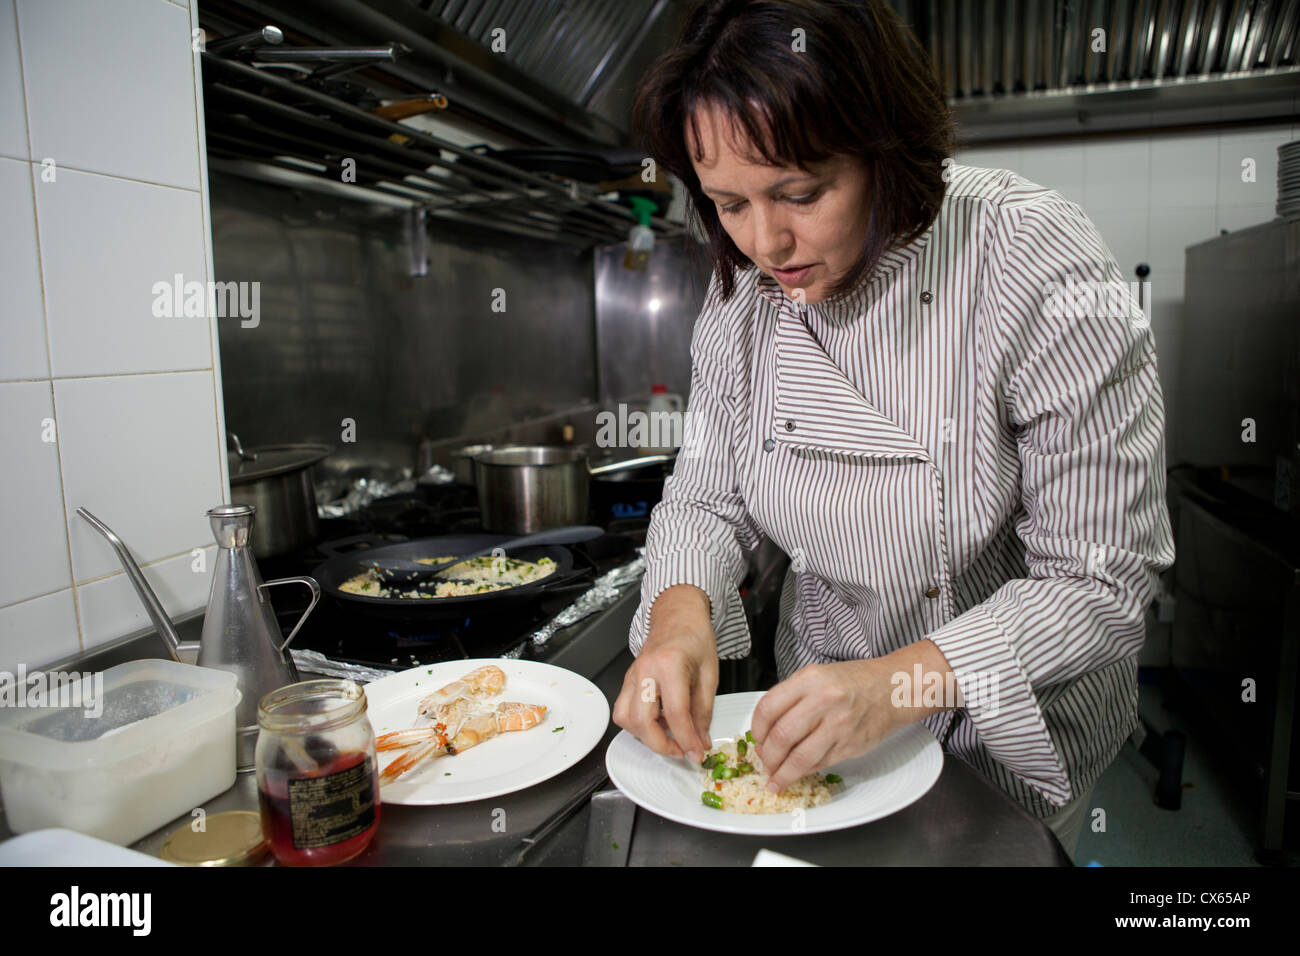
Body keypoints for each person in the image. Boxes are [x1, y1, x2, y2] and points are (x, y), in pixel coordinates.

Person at [611, 0, 1175, 859]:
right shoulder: (743, 294)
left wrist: (898, 683)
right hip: (821, 713)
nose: (767, 241)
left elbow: (1102, 581)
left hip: (1001, 726)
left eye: (801, 192)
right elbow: (706, 500)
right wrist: (680, 616)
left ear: (887, 153)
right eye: (728, 203)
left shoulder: (1028, 256)